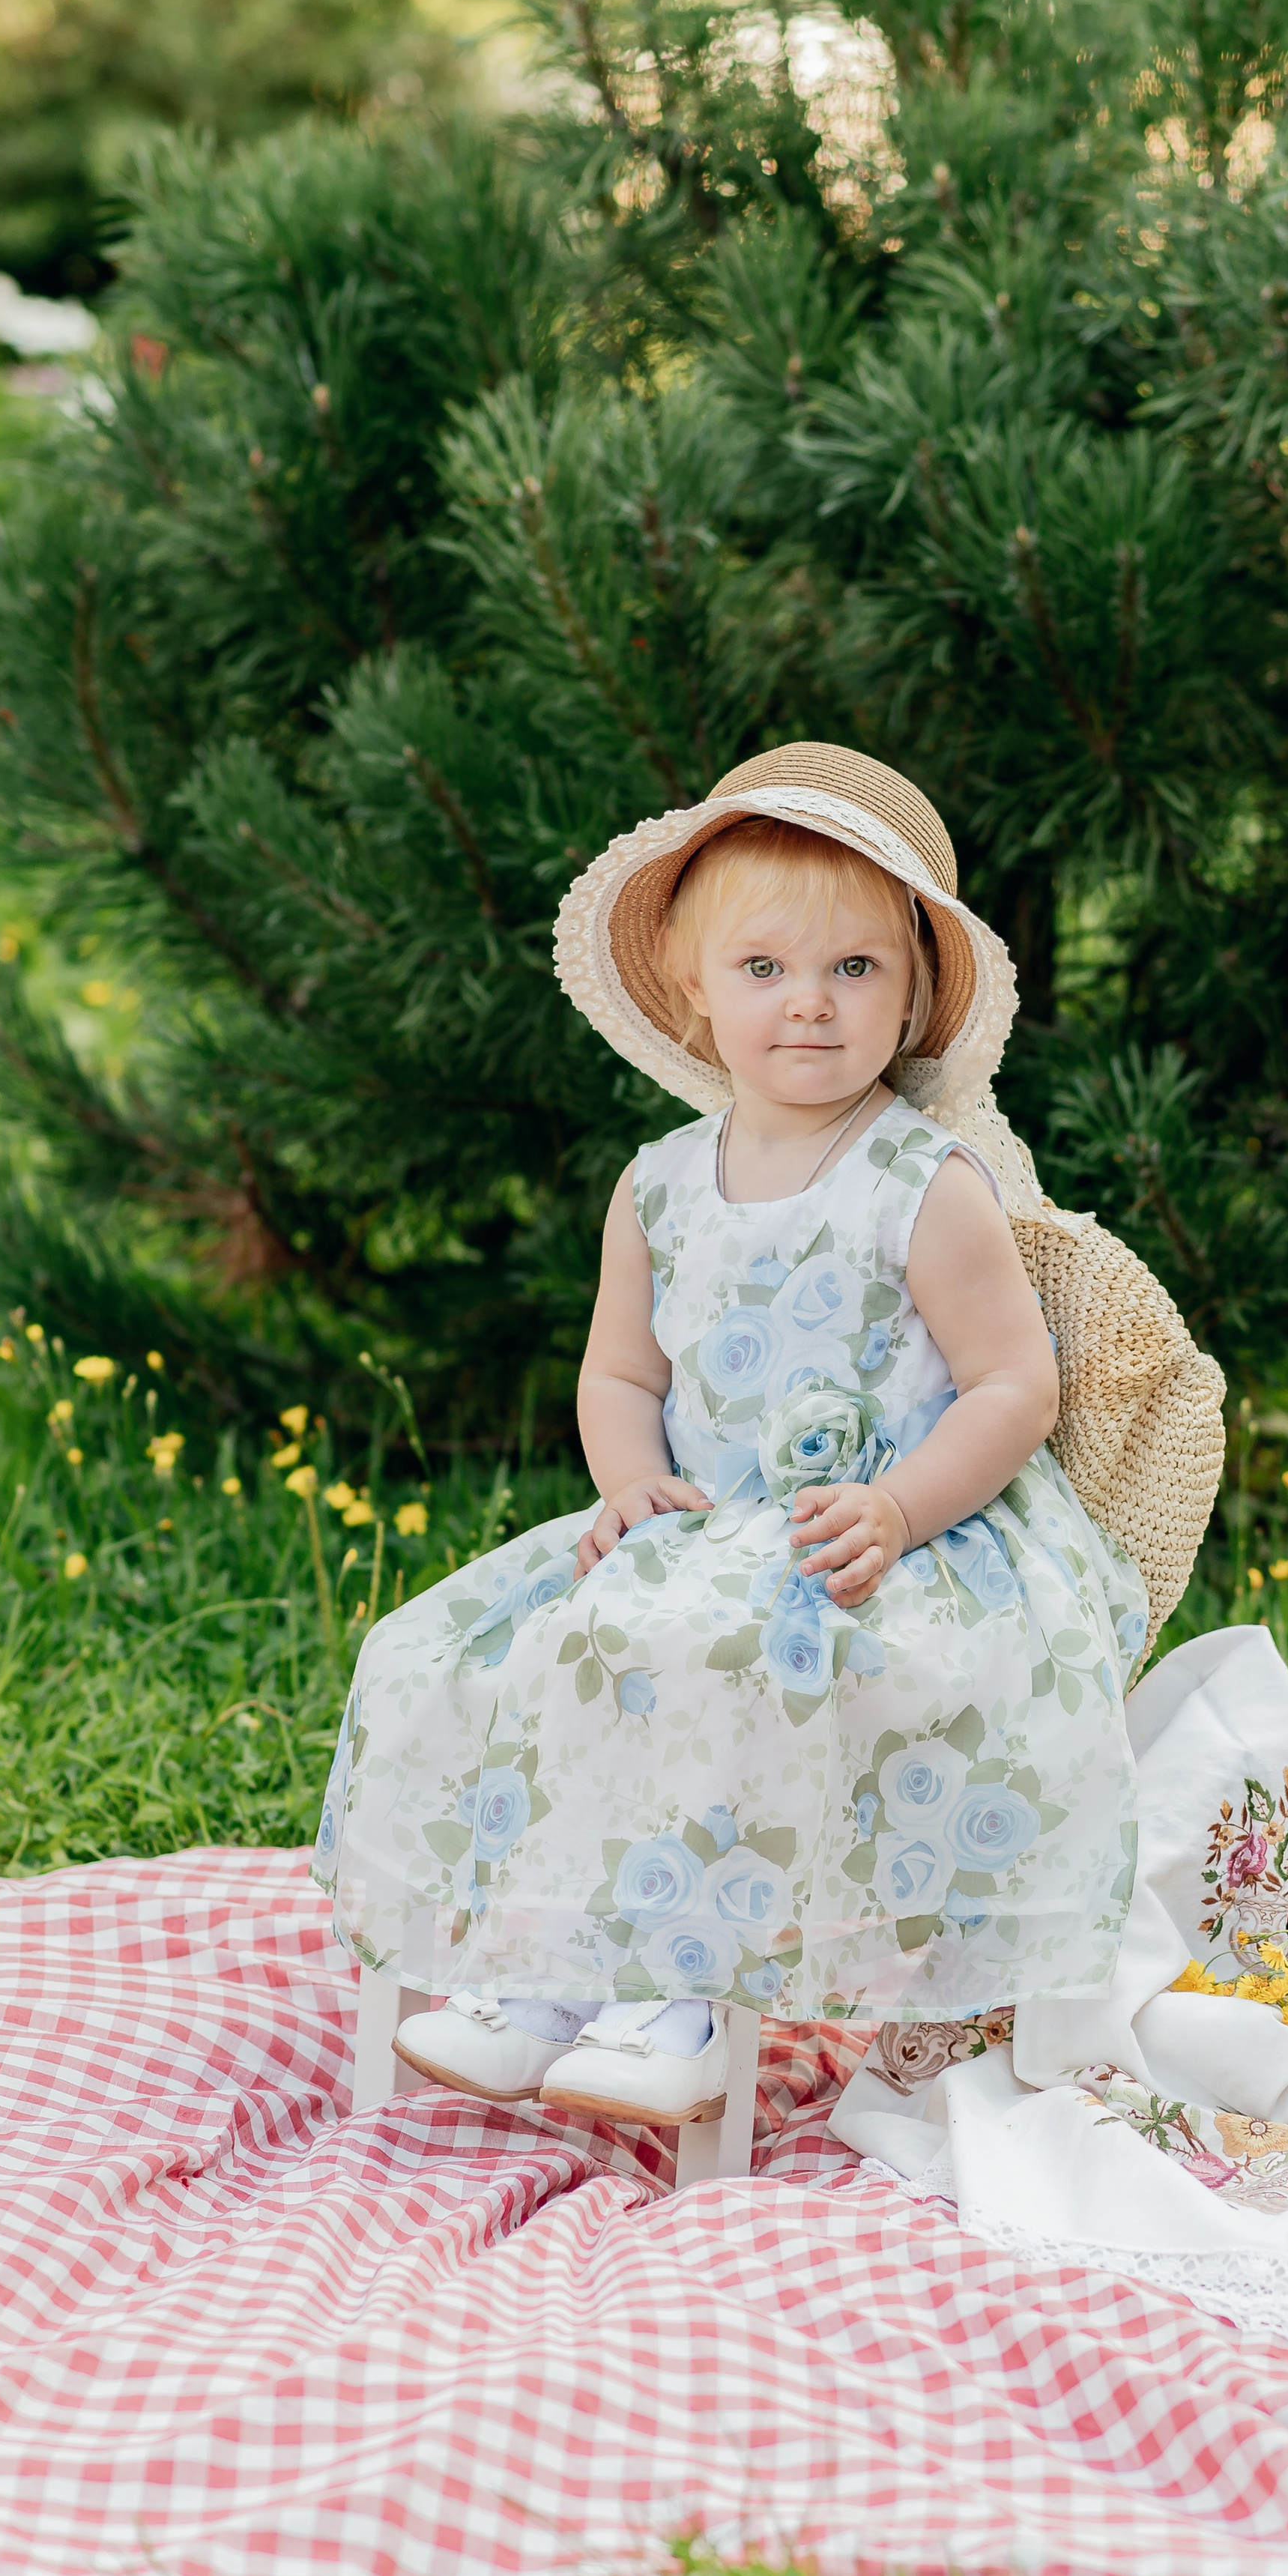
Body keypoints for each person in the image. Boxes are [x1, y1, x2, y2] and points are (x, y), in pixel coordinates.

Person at [311, 745, 1184, 2123]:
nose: (810, 1008)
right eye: (764, 969)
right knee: (516, 1644)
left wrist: (901, 1508)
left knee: (712, 1650)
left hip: (890, 1542)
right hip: (701, 1527)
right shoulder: (658, 1186)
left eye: (855, 971)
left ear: (911, 1002)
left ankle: (674, 1997)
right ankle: (547, 1964)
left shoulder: (923, 1180)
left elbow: (1015, 1385)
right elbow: (618, 1372)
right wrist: (631, 1481)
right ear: (696, 992)